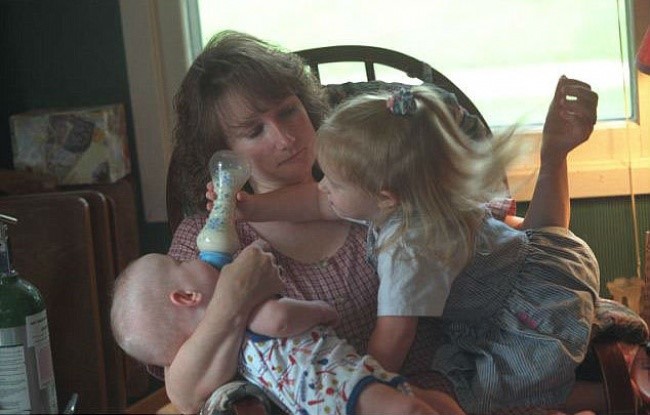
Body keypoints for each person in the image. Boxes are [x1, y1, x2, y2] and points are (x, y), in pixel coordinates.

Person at [166, 29, 602, 414]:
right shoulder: (217, 239)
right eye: (254, 131)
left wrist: (553, 156)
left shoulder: (384, 186)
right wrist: (230, 299)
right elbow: (184, 395)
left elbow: (524, 245)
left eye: (287, 111)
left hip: (440, 391)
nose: (285, 138)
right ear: (224, 152)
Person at [111, 247, 447, 415]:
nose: (194, 258)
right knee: (410, 409)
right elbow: (280, 319)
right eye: (182, 262)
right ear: (187, 296)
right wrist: (321, 311)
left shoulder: (224, 353)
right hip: (334, 384)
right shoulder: (248, 316)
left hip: (323, 394)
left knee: (434, 403)